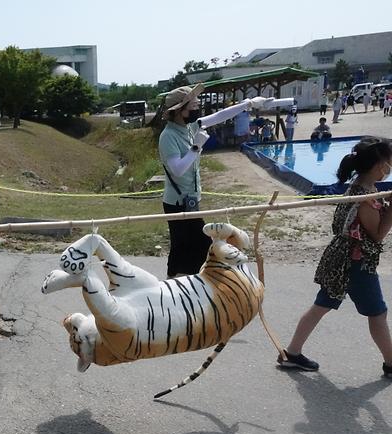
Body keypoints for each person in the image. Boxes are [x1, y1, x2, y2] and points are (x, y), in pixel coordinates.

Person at [280, 137, 392, 375]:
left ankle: (292, 352)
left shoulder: (361, 189)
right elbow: (378, 234)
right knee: (377, 312)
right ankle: (391, 363)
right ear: (378, 165)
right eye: (388, 163)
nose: (389, 167)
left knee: (321, 305)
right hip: (355, 263)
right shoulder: (363, 199)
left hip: (340, 259)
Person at [158, 84, 267, 278]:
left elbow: (219, 116)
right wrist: (196, 147)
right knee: (192, 244)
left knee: (187, 246)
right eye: (192, 105)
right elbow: (177, 169)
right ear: (179, 110)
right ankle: (178, 284)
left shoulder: (190, 127)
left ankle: (181, 282)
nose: (196, 108)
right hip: (177, 203)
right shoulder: (168, 136)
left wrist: (247, 104)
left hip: (190, 200)